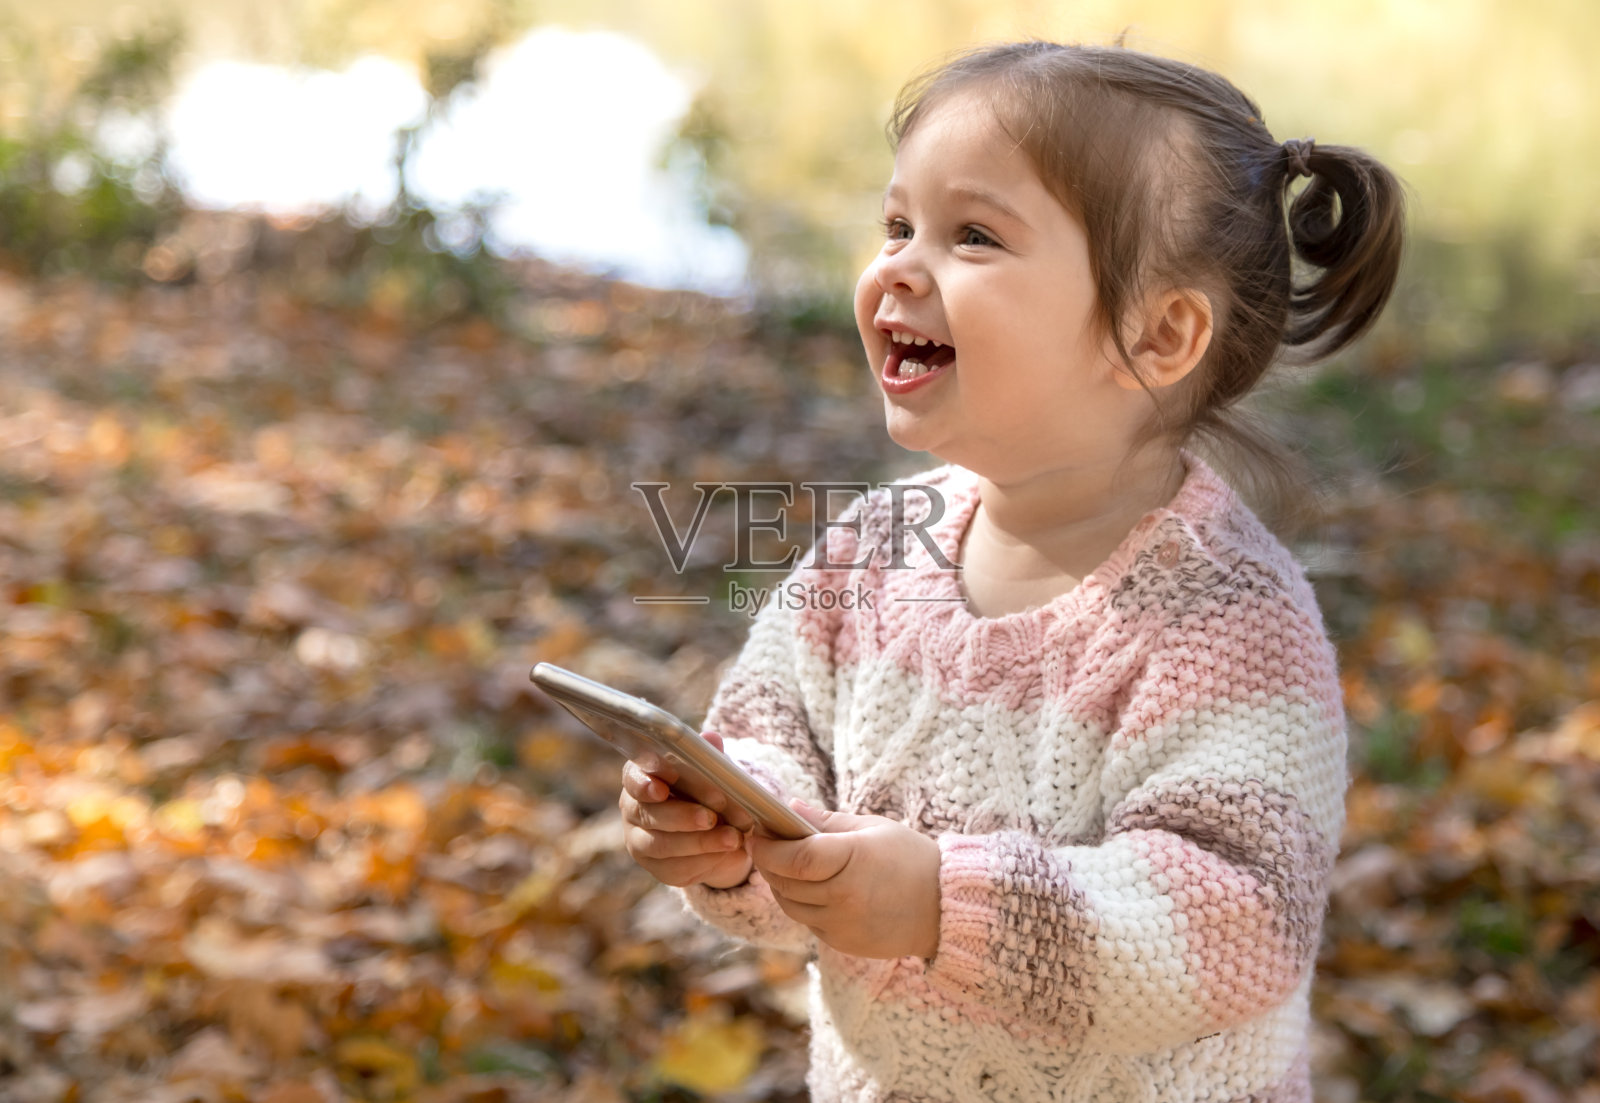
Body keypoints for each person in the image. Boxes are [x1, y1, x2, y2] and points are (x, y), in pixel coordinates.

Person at [620, 37, 1404, 1102]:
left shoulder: (1226, 618)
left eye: (972, 236)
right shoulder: (867, 551)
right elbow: (773, 740)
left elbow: (1236, 919)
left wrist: (944, 902)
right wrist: (736, 837)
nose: (898, 265)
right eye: (899, 225)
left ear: (1159, 333)